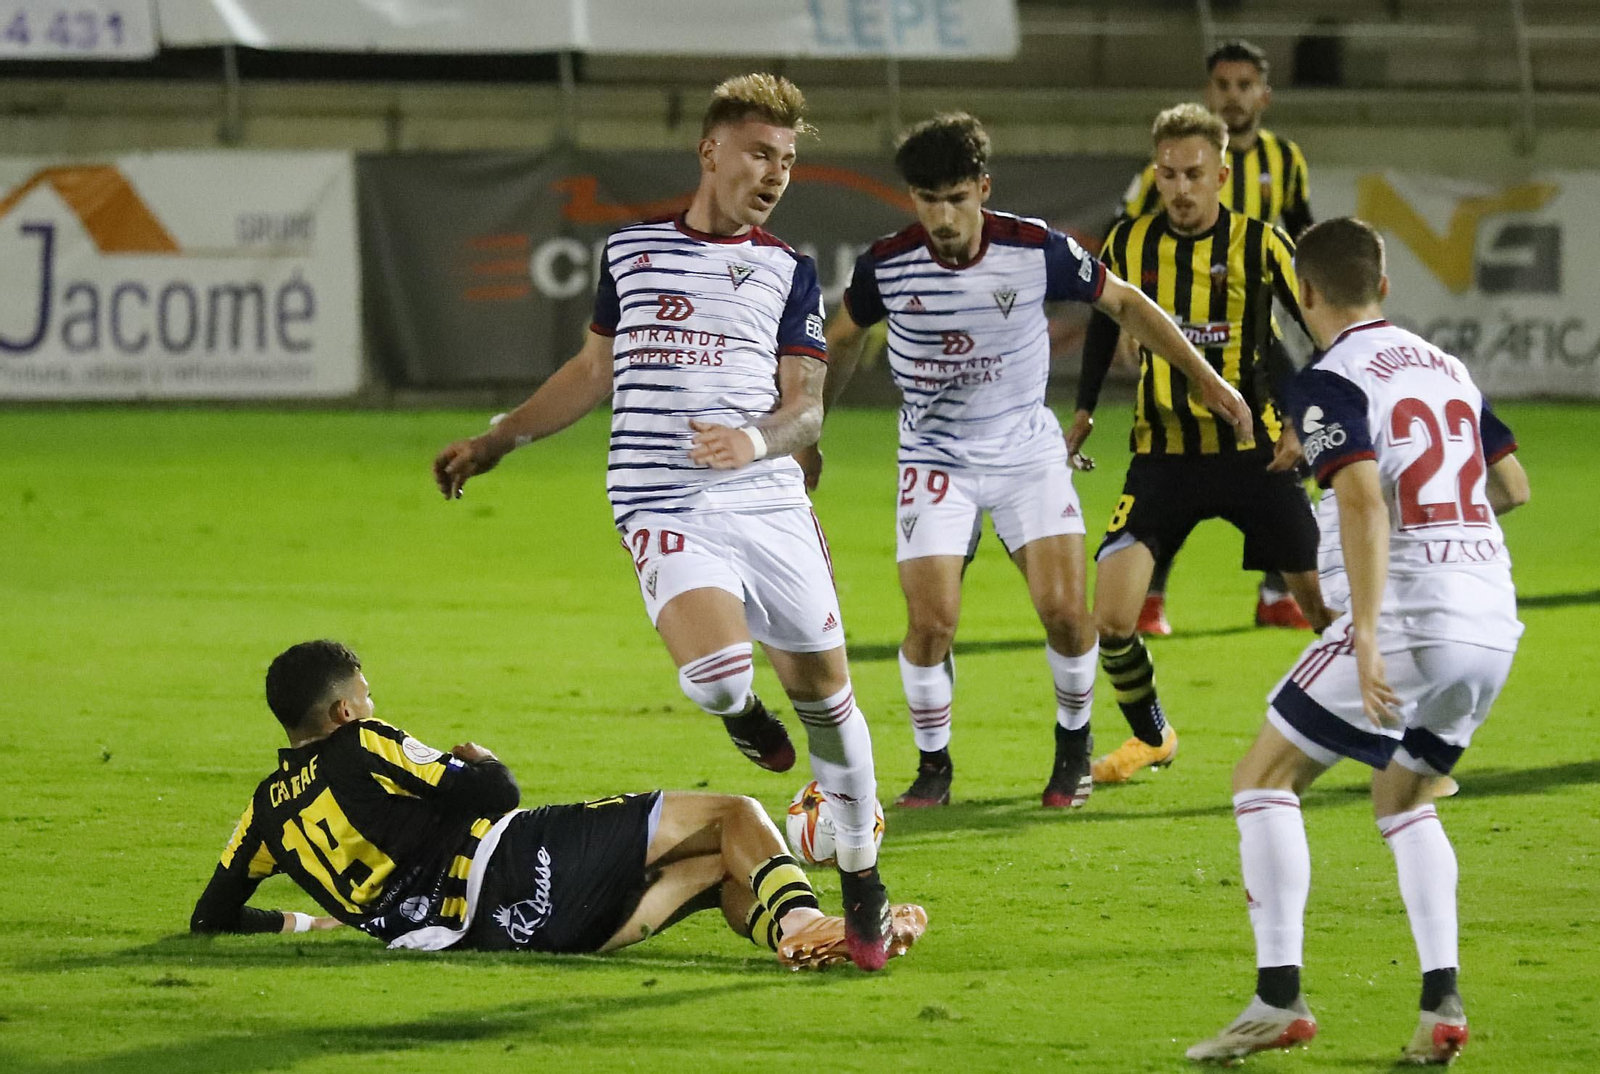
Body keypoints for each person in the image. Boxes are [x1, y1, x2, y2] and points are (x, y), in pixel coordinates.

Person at [431, 74, 904, 970]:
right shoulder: (631, 252)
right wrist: (502, 438)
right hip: (662, 496)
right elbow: (591, 371)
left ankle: (863, 875)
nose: (775, 174)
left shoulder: (787, 269)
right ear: (711, 150)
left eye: (789, 161)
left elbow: (806, 412)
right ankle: (741, 715)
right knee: (721, 676)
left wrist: (756, 440)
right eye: (761, 153)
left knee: (832, 704)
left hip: (764, 498)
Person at [804, 112, 1251, 811]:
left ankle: (1072, 748)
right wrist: (811, 432)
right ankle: (933, 767)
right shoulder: (886, 264)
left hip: (1025, 453)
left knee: (1068, 614)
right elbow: (842, 339)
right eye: (928, 200)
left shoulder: (1035, 248)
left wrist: (1206, 377)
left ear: (983, 188)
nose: (943, 216)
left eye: (956, 197)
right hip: (936, 458)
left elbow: (1126, 303)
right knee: (931, 625)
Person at [1186, 218, 1528, 1064]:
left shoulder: (1329, 378)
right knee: (1401, 796)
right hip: (1492, 621)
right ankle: (1440, 1004)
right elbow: (1510, 484)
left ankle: (1279, 999)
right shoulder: (1443, 366)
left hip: (1411, 622)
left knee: (1261, 778)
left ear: (1305, 295)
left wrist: (1366, 634)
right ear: (1383, 284)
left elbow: (1366, 502)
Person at [191, 641, 927, 969]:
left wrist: (301, 919)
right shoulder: (363, 743)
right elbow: (495, 794)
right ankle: (808, 920)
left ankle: (798, 940)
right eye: (366, 694)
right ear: (344, 711)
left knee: (721, 868)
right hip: (507, 865)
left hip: (498, 938)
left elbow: (212, 915)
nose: (374, 703)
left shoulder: (264, 814)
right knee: (732, 814)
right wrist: (481, 760)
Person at [1074, 103, 1331, 785]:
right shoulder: (1127, 242)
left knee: (1324, 611)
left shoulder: (1261, 242)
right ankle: (1152, 736)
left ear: (1221, 174)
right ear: (1154, 175)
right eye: (1167, 175)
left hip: (1258, 455)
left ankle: (1379, 731)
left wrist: (1306, 420)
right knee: (1112, 618)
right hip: (1164, 456)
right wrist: (1083, 409)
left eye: (1193, 174)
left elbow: (1319, 332)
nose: (1181, 189)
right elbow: (1104, 325)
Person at [1118, 39, 1317, 635]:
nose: (1233, 96)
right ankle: (1150, 595)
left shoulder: (1286, 159)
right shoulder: (1178, 161)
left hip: (1259, 335)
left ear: (1263, 94)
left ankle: (1277, 590)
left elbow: (1305, 237)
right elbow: (1123, 234)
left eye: (1244, 85)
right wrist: (1128, 320)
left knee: (1298, 440)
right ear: (1210, 92)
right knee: (1176, 457)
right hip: (1180, 332)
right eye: (1223, 85)